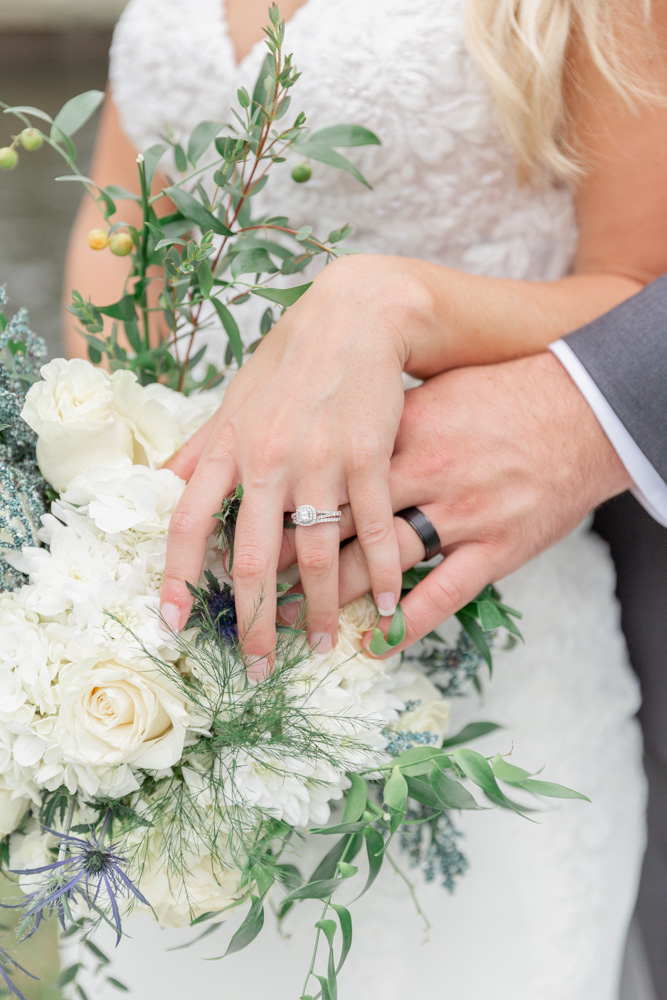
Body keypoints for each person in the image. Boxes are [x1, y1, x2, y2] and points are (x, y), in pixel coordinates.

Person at [63, 0, 667, 996]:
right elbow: (122, 238)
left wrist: (392, 297)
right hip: (168, 643)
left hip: (462, 633)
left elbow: (640, 283)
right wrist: (115, 514)